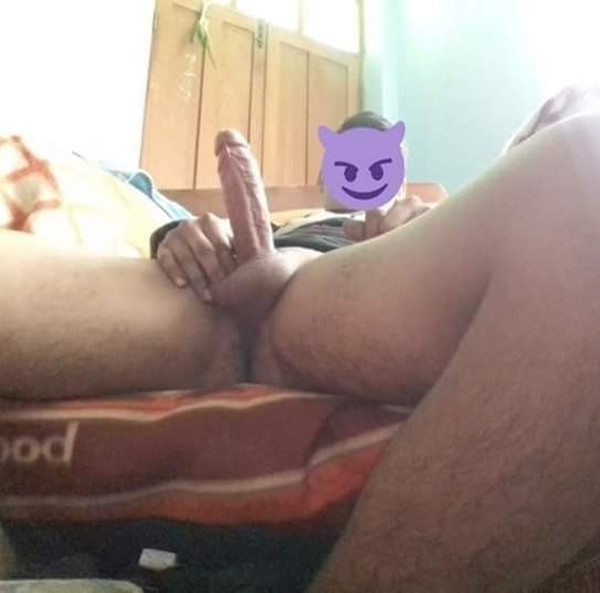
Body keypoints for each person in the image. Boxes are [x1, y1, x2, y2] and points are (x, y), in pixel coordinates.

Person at [3, 95, 600, 592]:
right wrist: (183, 236)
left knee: (585, 171)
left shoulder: (431, 220)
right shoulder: (298, 214)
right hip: (210, 305)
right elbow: (191, 241)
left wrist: (383, 243)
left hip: (325, 296)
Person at [151, 111, 433, 297]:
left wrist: (433, 240)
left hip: (362, 280)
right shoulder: (283, 224)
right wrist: (190, 237)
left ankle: (281, 269)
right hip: (239, 271)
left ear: (401, 188)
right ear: (323, 177)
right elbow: (210, 235)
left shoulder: (418, 229)